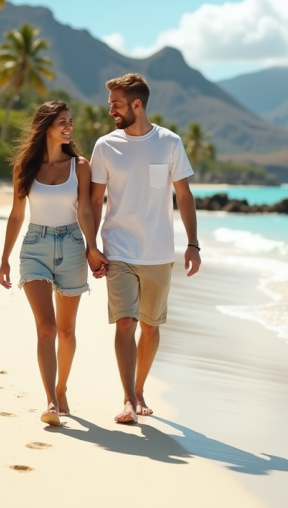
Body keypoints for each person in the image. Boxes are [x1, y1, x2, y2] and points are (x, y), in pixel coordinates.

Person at [90, 73, 201, 424]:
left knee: (150, 326)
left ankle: (139, 391)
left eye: (117, 104)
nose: (111, 111)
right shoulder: (105, 146)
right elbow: (94, 200)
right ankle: (128, 399)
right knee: (125, 323)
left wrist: (193, 244)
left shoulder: (169, 143)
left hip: (158, 252)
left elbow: (183, 195)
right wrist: (91, 245)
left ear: (137, 104)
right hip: (118, 248)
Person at [0, 100, 108, 426]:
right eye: (62, 121)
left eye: (70, 121)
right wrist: (4, 257)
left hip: (73, 245)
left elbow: (85, 210)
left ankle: (61, 389)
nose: (69, 127)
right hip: (35, 247)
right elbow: (17, 215)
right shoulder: (25, 167)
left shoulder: (81, 166)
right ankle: (50, 401)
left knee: (66, 330)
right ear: (46, 126)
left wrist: (92, 247)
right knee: (46, 327)